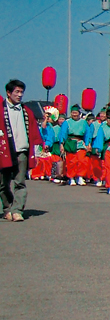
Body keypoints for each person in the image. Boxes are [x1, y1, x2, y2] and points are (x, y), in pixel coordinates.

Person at [2, 79, 45, 221]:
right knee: (2, 184)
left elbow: (34, 132)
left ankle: (17, 210)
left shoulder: (27, 111)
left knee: (19, 182)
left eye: (21, 92)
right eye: (17, 92)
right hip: (4, 152)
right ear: (8, 93)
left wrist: (36, 152)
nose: (20, 95)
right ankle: (8, 207)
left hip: (21, 151)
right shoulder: (1, 109)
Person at [61, 105, 89, 186]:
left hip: (80, 142)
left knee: (82, 160)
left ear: (79, 113)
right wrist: (62, 144)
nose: (74, 114)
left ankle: (80, 176)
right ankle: (71, 177)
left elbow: (87, 134)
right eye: (73, 113)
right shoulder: (67, 122)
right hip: (70, 143)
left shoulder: (83, 122)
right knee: (72, 162)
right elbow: (63, 133)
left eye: (76, 113)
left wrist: (88, 143)